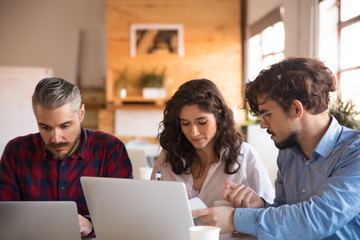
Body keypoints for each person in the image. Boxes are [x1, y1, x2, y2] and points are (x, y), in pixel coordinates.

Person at [192, 58, 360, 239]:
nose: (263, 125)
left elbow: (316, 219)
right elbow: (287, 218)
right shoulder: (288, 153)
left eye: (267, 114)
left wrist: (234, 218)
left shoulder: (354, 153)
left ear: (296, 108)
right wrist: (261, 206)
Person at [0, 77, 132, 237]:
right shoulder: (16, 152)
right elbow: (5, 217)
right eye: (45, 127)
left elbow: (124, 214)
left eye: (65, 126)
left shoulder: (110, 149)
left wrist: (90, 224)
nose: (56, 138)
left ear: (81, 113)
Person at [151, 79, 274, 208]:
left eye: (202, 122)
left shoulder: (245, 156)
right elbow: (152, 205)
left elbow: (268, 213)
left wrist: (236, 216)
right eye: (185, 123)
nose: (194, 133)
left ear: (219, 116)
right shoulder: (169, 155)